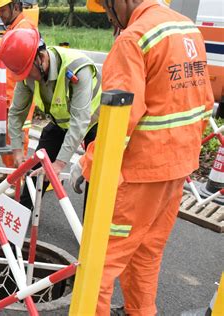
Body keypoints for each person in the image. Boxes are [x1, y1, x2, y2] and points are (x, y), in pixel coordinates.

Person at [71, 0, 215, 314]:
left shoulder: (133, 39)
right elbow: (204, 102)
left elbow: (119, 120)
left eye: (107, 10)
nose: (111, 19)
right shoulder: (187, 29)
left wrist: (88, 166)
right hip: (177, 169)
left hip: (139, 174)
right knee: (145, 255)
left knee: (100, 263)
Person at [0, 28, 102, 210]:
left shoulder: (78, 68)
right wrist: (16, 149)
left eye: (28, 72)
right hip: (59, 122)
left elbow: (80, 121)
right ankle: (22, 215)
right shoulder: (27, 74)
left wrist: (59, 163)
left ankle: (89, 234)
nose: (26, 78)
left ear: (41, 58)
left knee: (94, 174)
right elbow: (16, 113)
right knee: (37, 167)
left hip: (94, 123)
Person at [0, 0, 38, 193]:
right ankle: (8, 172)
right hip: (8, 92)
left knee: (18, 136)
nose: (1, 15)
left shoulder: (24, 28)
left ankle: (18, 178)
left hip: (20, 93)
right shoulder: (15, 27)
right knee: (7, 136)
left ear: (16, 7)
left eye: (4, 10)